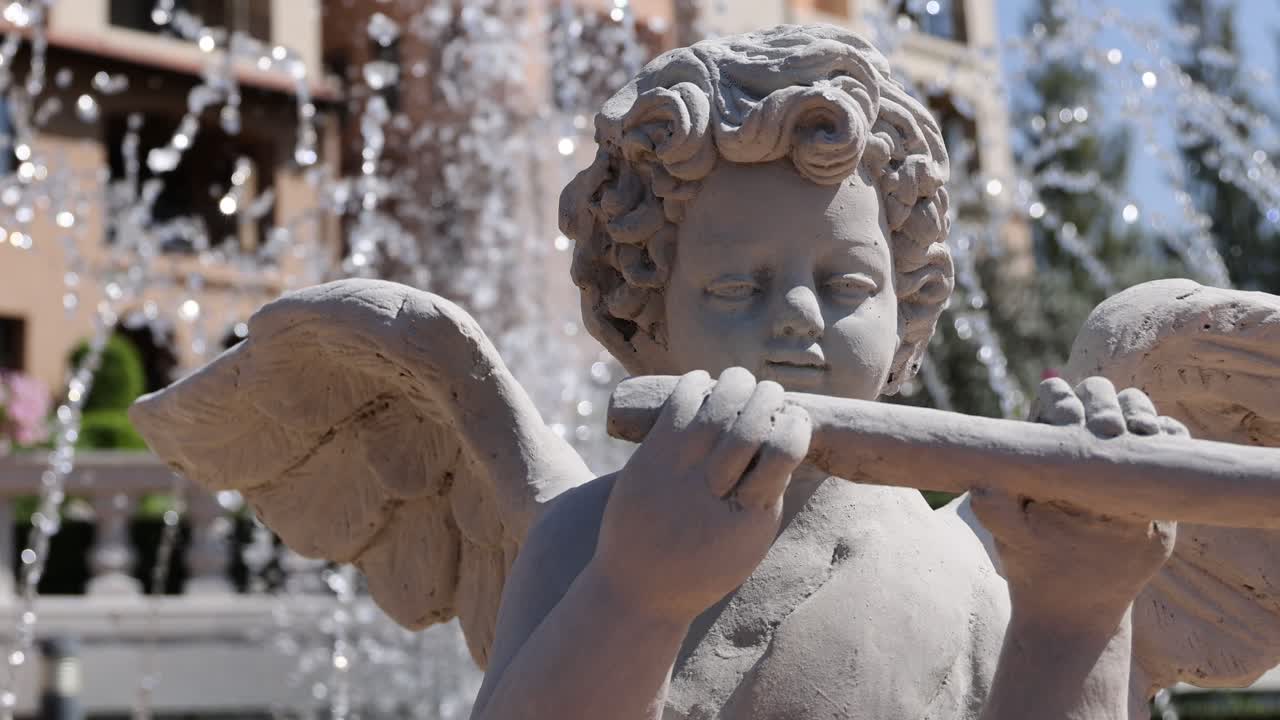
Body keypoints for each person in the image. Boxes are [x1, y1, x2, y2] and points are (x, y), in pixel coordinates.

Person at [470, 24, 1181, 720]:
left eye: (849, 285)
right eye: (737, 288)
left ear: (909, 304)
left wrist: (1077, 616)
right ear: (645, 316)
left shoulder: (973, 570)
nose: (800, 315)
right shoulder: (578, 541)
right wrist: (635, 595)